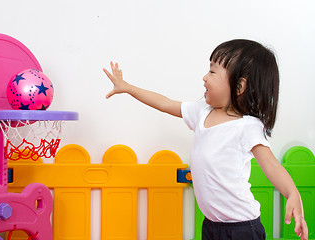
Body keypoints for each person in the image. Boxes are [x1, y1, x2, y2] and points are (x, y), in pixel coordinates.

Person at [103, 39, 308, 240]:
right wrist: (128, 88)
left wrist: (292, 194)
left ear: (239, 87)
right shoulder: (201, 112)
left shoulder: (247, 127)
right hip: (211, 225)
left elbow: (271, 166)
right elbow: (165, 103)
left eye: (212, 71)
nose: (204, 77)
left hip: (242, 229)